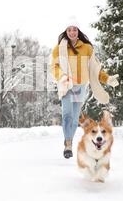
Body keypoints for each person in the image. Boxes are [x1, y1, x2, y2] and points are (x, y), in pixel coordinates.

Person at [50, 16, 119, 159]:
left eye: (74, 29)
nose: (72, 32)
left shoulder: (87, 48)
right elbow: (54, 67)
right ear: (66, 31)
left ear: (78, 31)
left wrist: (107, 79)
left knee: (75, 119)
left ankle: (69, 139)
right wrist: (61, 76)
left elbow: (94, 70)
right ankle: (68, 144)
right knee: (67, 115)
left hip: (81, 87)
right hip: (66, 85)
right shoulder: (59, 49)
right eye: (69, 30)